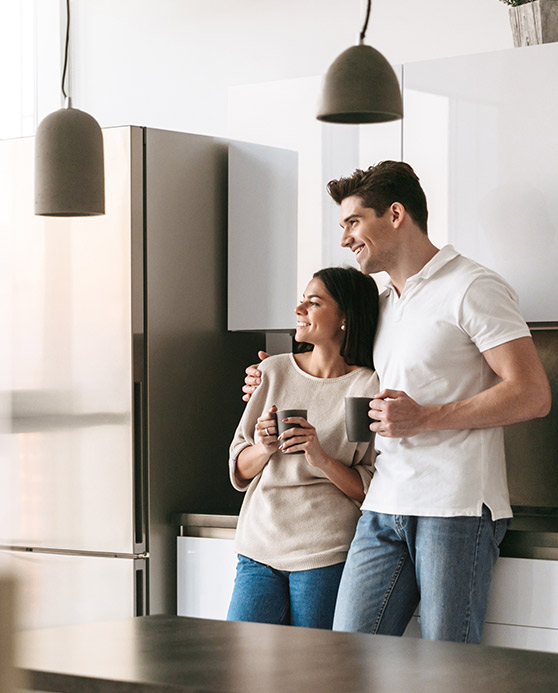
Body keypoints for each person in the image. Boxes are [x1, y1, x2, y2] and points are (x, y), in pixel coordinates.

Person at [242, 161, 551, 644]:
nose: (344, 239)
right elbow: (335, 374)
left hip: (456, 507)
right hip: (383, 504)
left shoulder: (473, 287)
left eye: (352, 222)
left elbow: (532, 394)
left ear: (396, 214)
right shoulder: (383, 306)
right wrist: (268, 375)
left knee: (449, 666)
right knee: (345, 656)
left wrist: (426, 417)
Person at [227, 266, 379, 630]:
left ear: (345, 317)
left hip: (324, 554)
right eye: (302, 301)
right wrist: (263, 448)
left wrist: (320, 456)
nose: (299, 310)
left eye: (313, 303)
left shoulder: (367, 386)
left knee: (315, 675)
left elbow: (367, 487)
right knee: (241, 666)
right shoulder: (274, 372)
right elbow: (238, 467)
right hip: (258, 548)